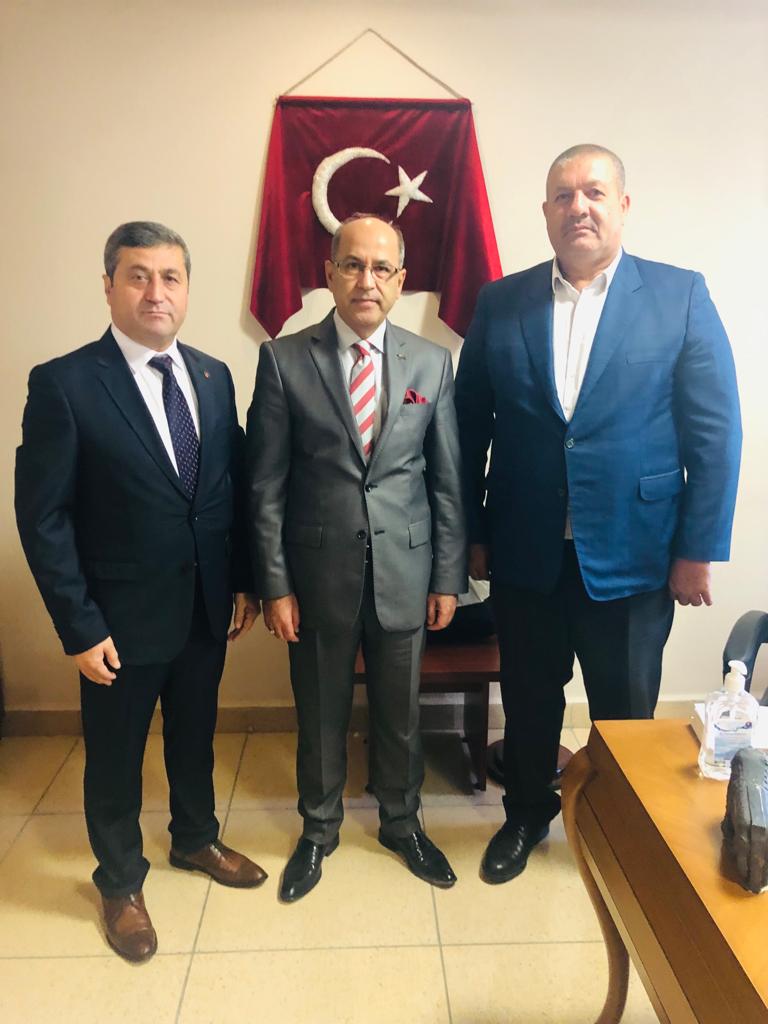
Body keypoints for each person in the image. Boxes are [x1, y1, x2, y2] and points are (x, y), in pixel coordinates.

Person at [455, 144, 742, 884]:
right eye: (562, 195)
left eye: (593, 192)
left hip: (637, 553)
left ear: (623, 206)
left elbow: (715, 433)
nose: (577, 206)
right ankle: (526, 815)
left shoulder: (679, 295)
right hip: (525, 550)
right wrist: (474, 534)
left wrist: (697, 549)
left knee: (624, 707)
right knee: (528, 698)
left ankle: (618, 827)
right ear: (546, 212)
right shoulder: (500, 302)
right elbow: (468, 427)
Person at [15, 221, 266, 963]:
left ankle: (195, 839)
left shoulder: (213, 376)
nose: (157, 292)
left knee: (195, 738)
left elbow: (230, 489)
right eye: (138, 275)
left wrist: (243, 580)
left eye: (170, 277)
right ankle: (120, 881)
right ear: (109, 286)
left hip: (204, 608)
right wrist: (78, 625)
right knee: (115, 757)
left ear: (186, 289)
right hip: (116, 622)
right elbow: (43, 517)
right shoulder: (64, 383)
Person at [246, 213, 466, 902]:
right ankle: (318, 829)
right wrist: (274, 585)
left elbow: (447, 480)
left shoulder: (431, 363)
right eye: (352, 265)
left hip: (407, 572)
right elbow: (265, 485)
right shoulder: (284, 359)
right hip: (316, 576)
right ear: (329, 273)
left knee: (401, 713)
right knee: (319, 712)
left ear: (400, 281)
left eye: (381, 268)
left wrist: (448, 576)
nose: (366, 280)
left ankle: (403, 823)